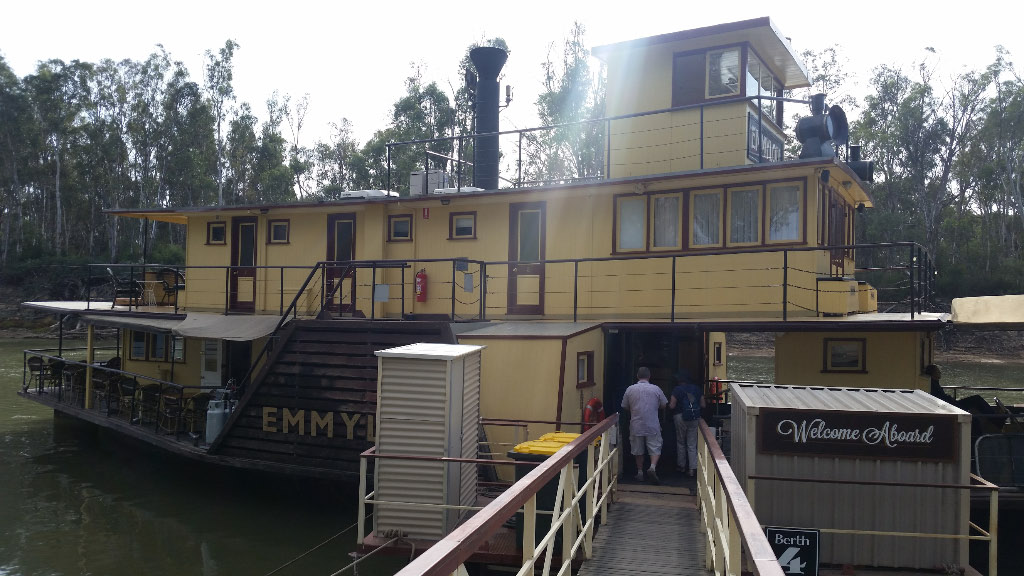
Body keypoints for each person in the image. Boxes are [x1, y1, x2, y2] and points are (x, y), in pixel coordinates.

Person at [620, 366, 668, 484]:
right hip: (652, 424)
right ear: (649, 376)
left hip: (636, 424)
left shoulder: (630, 389)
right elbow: (664, 404)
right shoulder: (656, 389)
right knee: (655, 447)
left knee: (638, 449)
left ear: (637, 376)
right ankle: (652, 467)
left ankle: (640, 472)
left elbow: (624, 406)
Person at [669, 370, 705, 477]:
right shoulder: (697, 389)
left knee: (681, 442)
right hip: (694, 418)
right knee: (692, 444)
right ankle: (692, 468)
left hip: (680, 417)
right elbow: (703, 405)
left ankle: (681, 466)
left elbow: (672, 405)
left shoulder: (677, 389)